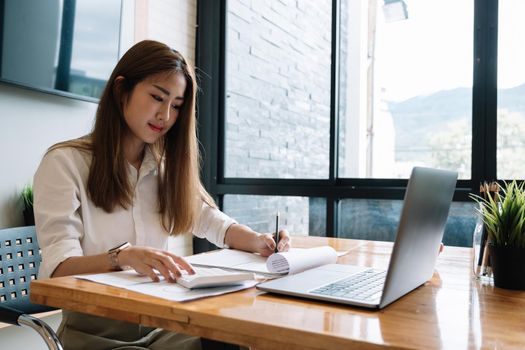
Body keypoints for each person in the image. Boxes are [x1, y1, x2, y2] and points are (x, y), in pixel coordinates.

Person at [33, 39, 291, 350]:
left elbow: (213, 223)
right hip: (95, 334)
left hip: (161, 323)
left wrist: (259, 241)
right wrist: (122, 257)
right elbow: (58, 270)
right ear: (121, 90)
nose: (165, 116)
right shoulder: (65, 163)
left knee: (243, 339)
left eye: (177, 105)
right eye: (157, 97)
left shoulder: (166, 168)